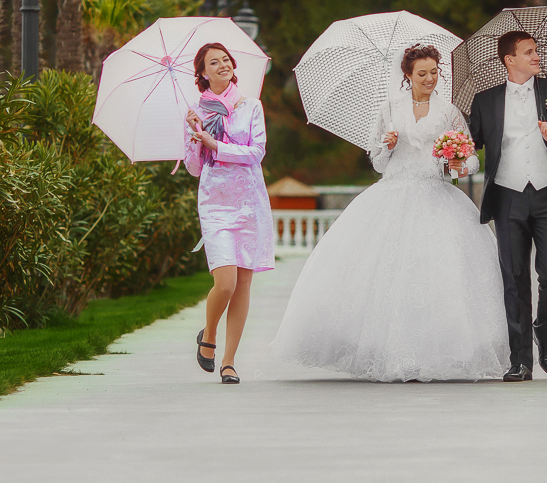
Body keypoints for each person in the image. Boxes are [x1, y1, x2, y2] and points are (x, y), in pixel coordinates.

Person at [271, 45, 509, 382]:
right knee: (385, 274)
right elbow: (379, 163)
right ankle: (385, 351)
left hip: (436, 194)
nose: (429, 78)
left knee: (437, 275)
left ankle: (437, 352)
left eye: (434, 72)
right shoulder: (390, 109)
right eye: (422, 73)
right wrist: (388, 145)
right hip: (393, 193)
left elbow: (469, 160)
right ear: (408, 76)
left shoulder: (449, 111)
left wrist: (458, 163)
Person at [467, 31, 547, 382]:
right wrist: (452, 156)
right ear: (510, 59)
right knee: (514, 277)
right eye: (529, 52)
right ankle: (519, 360)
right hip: (506, 195)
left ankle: (545, 336)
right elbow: (469, 145)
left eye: (536, 51)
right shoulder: (485, 100)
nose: (537, 57)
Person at [185, 42, 271, 385]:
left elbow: (256, 152)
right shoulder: (196, 111)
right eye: (213, 62)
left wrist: (215, 144)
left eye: (225, 60)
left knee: (244, 283)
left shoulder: (250, 106)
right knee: (226, 282)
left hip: (249, 201)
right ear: (203, 73)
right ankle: (209, 334)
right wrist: (195, 140)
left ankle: (229, 361)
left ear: (233, 67)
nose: (222, 65)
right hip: (215, 202)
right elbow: (193, 168)